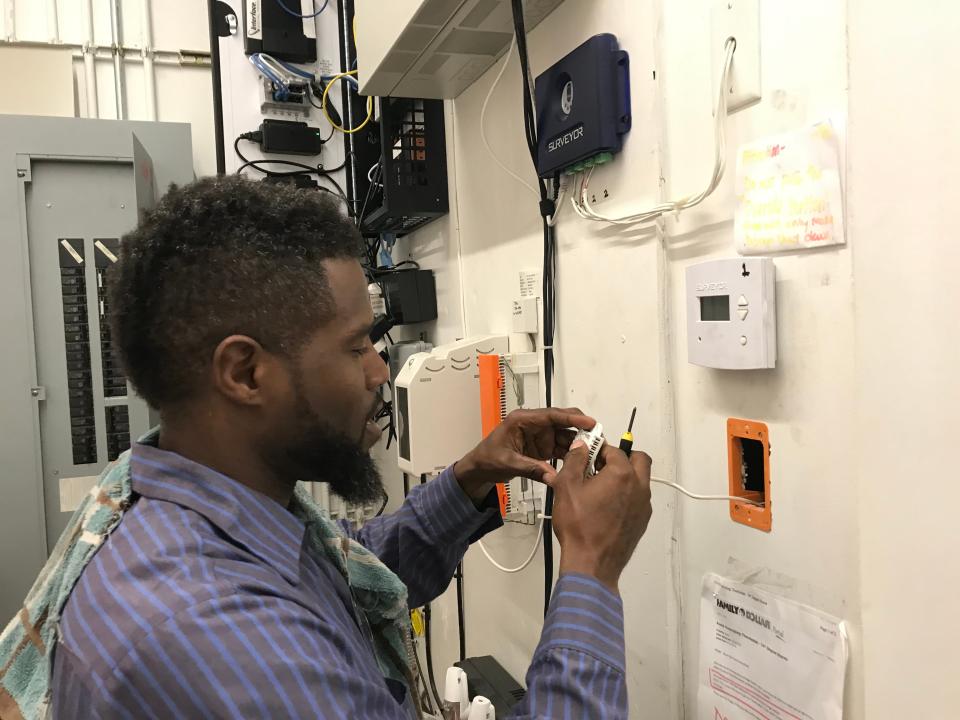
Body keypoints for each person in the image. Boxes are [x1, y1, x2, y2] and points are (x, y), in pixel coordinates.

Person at [0, 176, 653, 719]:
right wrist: (590, 566)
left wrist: (470, 479)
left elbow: (343, 577)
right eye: (355, 344)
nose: (379, 371)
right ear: (245, 373)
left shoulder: (196, 513)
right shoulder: (219, 640)